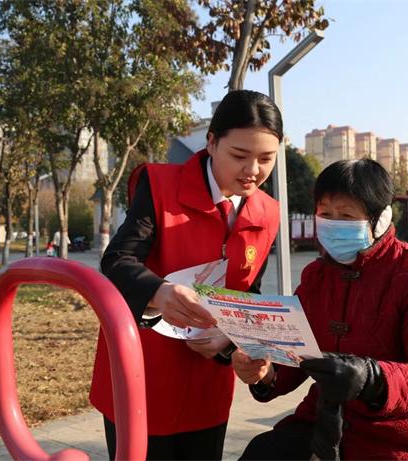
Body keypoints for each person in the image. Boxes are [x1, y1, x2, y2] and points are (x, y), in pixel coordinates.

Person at [89, 90, 283, 460]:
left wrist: (229, 338)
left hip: (208, 384)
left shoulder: (267, 212)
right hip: (142, 374)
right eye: (239, 155)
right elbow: (117, 261)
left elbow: (250, 293)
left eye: (265, 159)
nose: (252, 170)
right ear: (211, 142)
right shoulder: (160, 186)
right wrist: (159, 292)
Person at [232, 159, 408, 460]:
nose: (333, 224)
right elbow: (296, 353)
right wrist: (265, 371)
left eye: (346, 215)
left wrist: (373, 378)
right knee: (263, 452)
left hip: (402, 434)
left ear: (380, 219)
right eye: (325, 214)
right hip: (326, 421)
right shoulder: (316, 276)